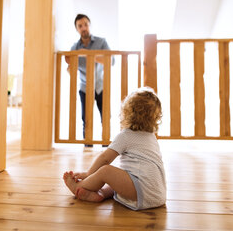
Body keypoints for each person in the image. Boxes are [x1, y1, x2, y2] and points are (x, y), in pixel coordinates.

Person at [63, 88, 167, 210]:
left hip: (141, 191)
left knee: (106, 171)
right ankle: (101, 193)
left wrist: (88, 174)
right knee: (119, 177)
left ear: (127, 113)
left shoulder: (126, 136)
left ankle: (79, 187)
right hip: (158, 195)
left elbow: (105, 158)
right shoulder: (151, 137)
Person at [66, 14, 112, 148]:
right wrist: (69, 65)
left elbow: (111, 61)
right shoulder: (74, 48)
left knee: (105, 117)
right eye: (80, 26)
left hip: (100, 85)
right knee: (86, 119)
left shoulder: (101, 42)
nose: (83, 28)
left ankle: (106, 147)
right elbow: (71, 71)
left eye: (85, 24)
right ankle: (87, 146)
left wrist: (88, 54)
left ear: (89, 25)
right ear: (77, 29)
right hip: (84, 87)